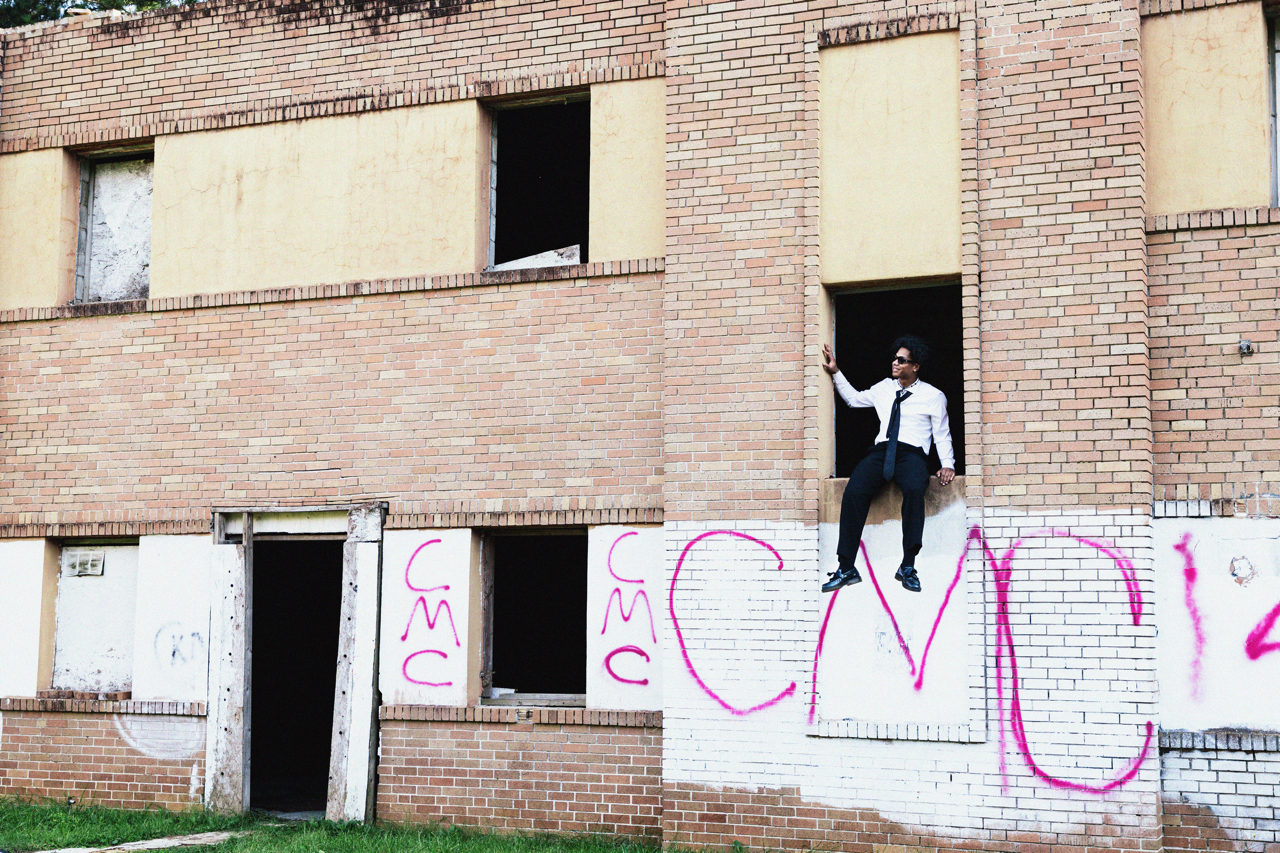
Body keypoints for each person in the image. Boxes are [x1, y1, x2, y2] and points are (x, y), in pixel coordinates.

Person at [821, 336, 955, 593]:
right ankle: (846, 566)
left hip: (912, 453)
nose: (895, 362)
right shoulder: (884, 387)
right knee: (854, 491)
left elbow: (941, 433)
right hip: (881, 450)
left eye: (902, 360)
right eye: (894, 358)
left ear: (915, 366)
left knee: (916, 488)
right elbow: (854, 400)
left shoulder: (933, 396)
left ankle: (908, 565)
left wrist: (947, 463)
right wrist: (836, 372)